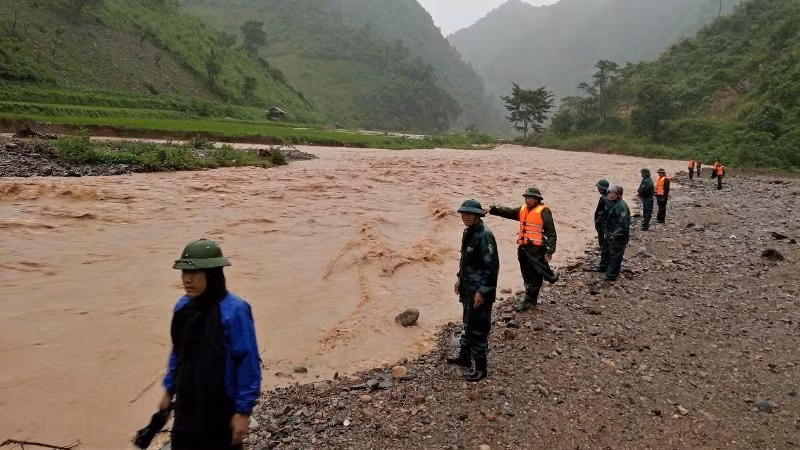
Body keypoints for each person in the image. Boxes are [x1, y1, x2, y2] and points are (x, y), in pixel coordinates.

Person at [159, 239, 262, 450]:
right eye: (184, 273)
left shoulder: (235, 310)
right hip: (187, 405)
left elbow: (247, 361)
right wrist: (169, 390)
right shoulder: (183, 307)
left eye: (194, 274)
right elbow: (178, 353)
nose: (187, 280)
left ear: (213, 275)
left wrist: (243, 412)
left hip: (220, 407)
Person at [450, 200, 499, 382]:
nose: (467, 216)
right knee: (467, 322)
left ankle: (480, 367)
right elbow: (466, 261)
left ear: (478, 215)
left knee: (478, 327)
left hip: (480, 291)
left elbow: (491, 267)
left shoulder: (485, 236)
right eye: (464, 213)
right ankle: (464, 357)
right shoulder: (468, 232)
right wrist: (459, 278)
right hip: (467, 287)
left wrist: (483, 292)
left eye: (470, 214)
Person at [487, 187, 558, 312]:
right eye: (526, 197)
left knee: (535, 274)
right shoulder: (523, 209)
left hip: (537, 249)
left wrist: (549, 251)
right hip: (524, 248)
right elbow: (508, 212)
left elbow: (551, 233)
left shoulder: (544, 211)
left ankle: (530, 299)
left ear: (537, 199)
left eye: (530, 198)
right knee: (526, 273)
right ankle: (530, 296)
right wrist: (493, 209)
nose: (527, 200)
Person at [604, 185, 631, 282]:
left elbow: (623, 224)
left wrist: (614, 234)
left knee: (615, 255)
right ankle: (614, 273)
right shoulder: (616, 204)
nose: (610, 195)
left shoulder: (621, 206)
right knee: (615, 254)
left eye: (613, 193)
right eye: (610, 193)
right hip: (615, 235)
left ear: (618, 195)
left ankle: (611, 275)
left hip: (619, 237)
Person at [593, 179, 611, 272]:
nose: (598, 189)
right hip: (605, 227)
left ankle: (603, 265)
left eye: (599, 188)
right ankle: (607, 263)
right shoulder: (609, 197)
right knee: (606, 245)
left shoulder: (604, 198)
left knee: (603, 245)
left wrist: (599, 225)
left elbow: (602, 214)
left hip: (603, 227)